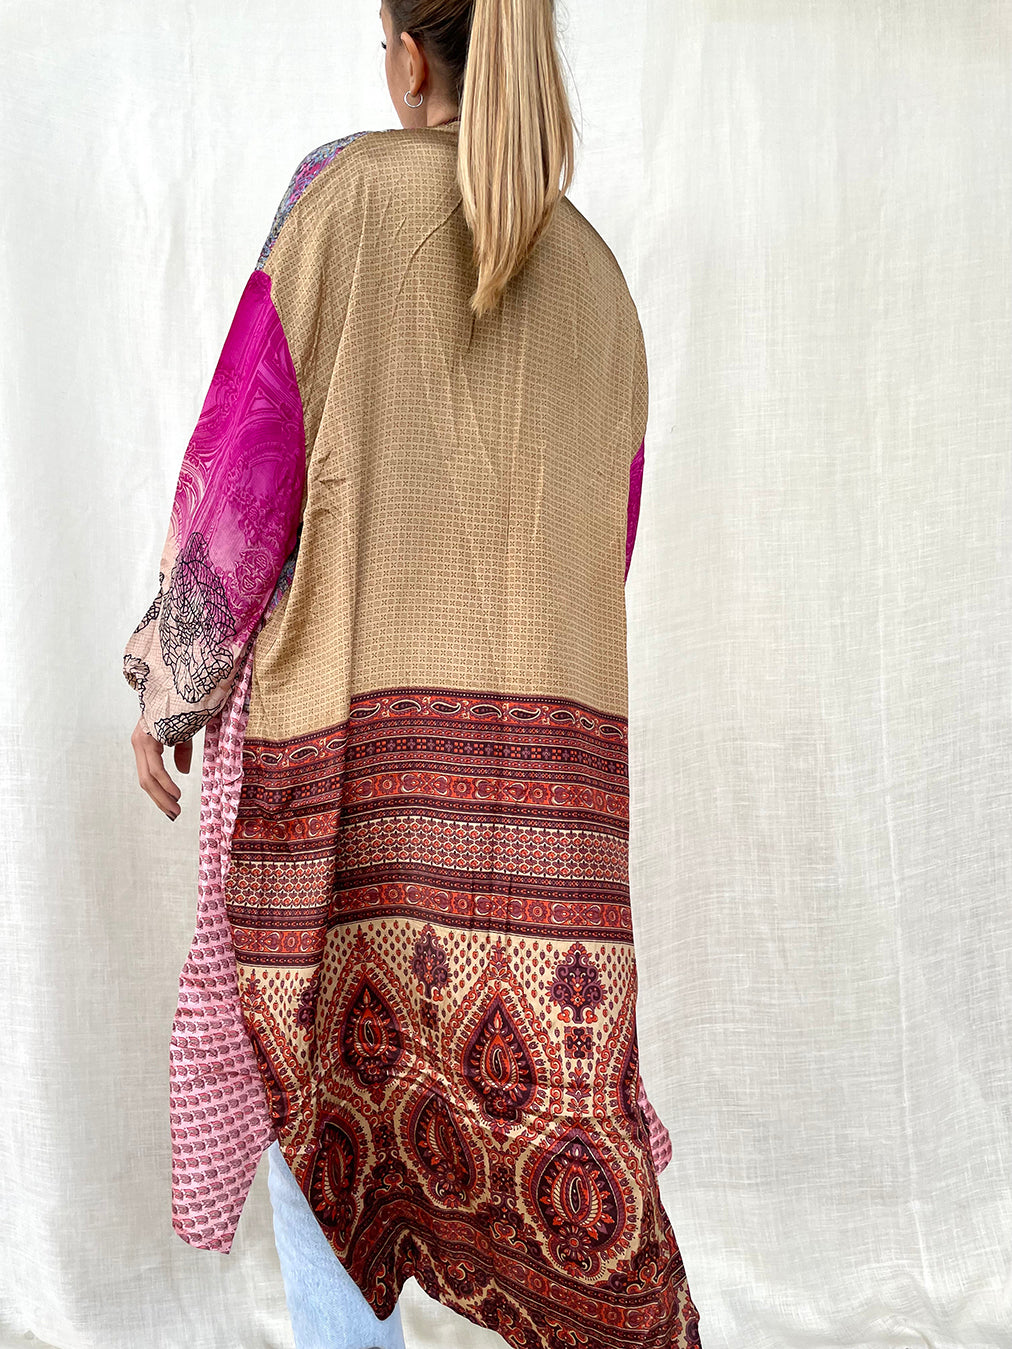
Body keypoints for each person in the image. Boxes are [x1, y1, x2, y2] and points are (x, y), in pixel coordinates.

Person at [124, 1, 702, 1346]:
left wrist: (168, 691)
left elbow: (249, 474)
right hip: (544, 830)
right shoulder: (601, 287)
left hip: (341, 772)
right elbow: (599, 556)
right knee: (534, 1142)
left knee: (323, 1101)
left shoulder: (340, 200)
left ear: (404, 51)